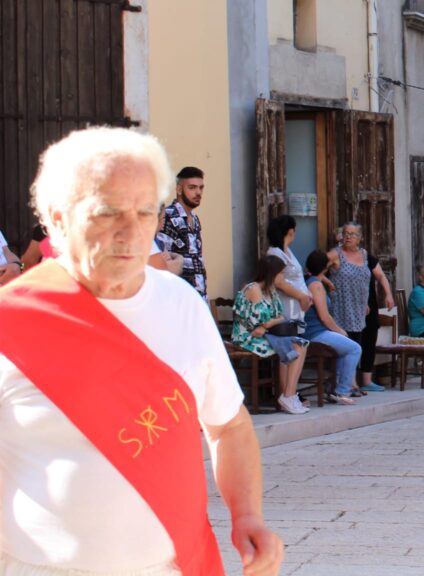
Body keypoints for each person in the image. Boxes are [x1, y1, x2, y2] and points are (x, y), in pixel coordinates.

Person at [0, 127, 282, 574]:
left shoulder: (181, 302)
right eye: (108, 213)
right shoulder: (9, 322)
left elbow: (228, 426)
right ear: (56, 218)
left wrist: (247, 514)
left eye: (146, 212)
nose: (132, 234)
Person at [232, 255, 310, 415]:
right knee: (296, 346)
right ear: (271, 273)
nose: (282, 277)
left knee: (299, 344)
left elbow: (280, 316)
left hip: (264, 334)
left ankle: (288, 395)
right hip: (248, 337)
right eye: (280, 273)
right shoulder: (253, 288)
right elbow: (259, 320)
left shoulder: (271, 291)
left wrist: (267, 325)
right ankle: (288, 396)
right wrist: (268, 323)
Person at [327, 222, 394, 394]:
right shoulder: (336, 254)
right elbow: (314, 270)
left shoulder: (364, 255)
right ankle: (347, 384)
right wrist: (325, 283)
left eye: (353, 234)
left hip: (359, 308)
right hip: (341, 306)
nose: (349, 236)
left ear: (360, 238)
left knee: (357, 343)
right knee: (345, 344)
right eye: (346, 233)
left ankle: (352, 382)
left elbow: (378, 276)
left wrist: (388, 295)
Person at [304, 250, 363, 405]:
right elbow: (324, 316)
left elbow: (317, 274)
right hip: (315, 333)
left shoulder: (311, 280)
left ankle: (334, 388)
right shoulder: (316, 286)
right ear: (326, 268)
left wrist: (327, 281)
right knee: (354, 348)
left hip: (315, 331)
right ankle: (342, 390)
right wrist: (340, 331)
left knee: (345, 349)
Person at [162, 166, 207, 296]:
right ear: (179, 189)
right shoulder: (168, 216)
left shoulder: (195, 219)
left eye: (201, 187)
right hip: (178, 297)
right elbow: (163, 258)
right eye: (192, 187)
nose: (198, 192)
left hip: (198, 296)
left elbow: (197, 260)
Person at [266, 215, 313, 330]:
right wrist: (301, 296)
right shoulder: (275, 253)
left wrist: (307, 294)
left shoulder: (287, 250)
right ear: (290, 231)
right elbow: (278, 281)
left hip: (297, 308)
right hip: (287, 306)